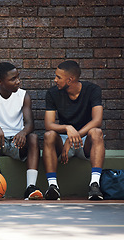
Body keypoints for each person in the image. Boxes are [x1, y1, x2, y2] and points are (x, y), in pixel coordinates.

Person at [0, 62, 43, 200]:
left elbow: (30, 123)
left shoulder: (23, 96)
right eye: (13, 79)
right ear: (0, 81)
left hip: (16, 142)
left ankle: (30, 187)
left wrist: (23, 133)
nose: (18, 81)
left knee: (33, 138)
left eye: (18, 77)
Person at [43, 60, 105, 200]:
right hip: (64, 140)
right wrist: (67, 127)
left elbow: (97, 121)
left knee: (96, 132)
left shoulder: (93, 90)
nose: (55, 80)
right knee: (49, 135)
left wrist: (72, 139)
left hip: (85, 141)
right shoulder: (52, 93)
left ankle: (94, 185)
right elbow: (49, 124)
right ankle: (53, 186)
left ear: (70, 80)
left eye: (59, 77)